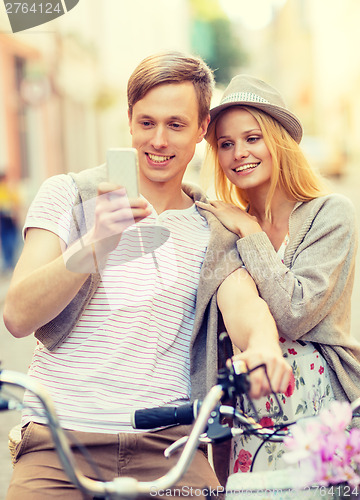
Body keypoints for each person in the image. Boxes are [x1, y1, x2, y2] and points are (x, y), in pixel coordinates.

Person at [4, 54, 290, 499]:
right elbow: (18, 315)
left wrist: (266, 348)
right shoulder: (69, 193)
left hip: (170, 444)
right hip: (58, 443)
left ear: (202, 128)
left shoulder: (211, 226)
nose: (158, 140)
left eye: (176, 125)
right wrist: (95, 244)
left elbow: (245, 308)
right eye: (146, 123)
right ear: (130, 122)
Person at [196, 74, 360, 474]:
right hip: (251, 406)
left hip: (321, 405)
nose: (239, 153)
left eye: (253, 138)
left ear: (279, 141)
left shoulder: (330, 214)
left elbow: (295, 313)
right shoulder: (224, 227)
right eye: (226, 144)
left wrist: (251, 234)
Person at [0, 173, 20, 272]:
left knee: (10, 242)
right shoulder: (5, 189)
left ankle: (10, 263)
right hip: (5, 219)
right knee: (8, 242)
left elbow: (17, 202)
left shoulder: (10, 188)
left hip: (10, 219)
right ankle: (9, 264)